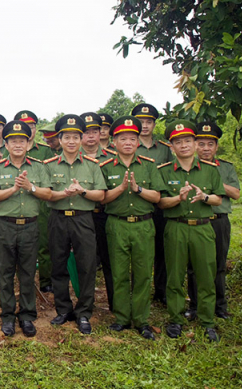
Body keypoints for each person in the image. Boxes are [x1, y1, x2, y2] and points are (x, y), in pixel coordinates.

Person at [158, 120, 225, 342]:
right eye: (178, 142)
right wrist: (179, 198)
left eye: (188, 141)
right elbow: (161, 203)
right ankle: (176, 319)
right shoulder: (164, 171)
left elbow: (218, 198)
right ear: (172, 147)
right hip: (176, 227)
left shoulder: (210, 170)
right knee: (175, 276)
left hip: (203, 228)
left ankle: (207, 321)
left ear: (195, 144)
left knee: (206, 275)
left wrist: (204, 197)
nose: (184, 145)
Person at [99, 116, 164, 339]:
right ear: (114, 142)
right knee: (118, 273)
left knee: (143, 273)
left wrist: (137, 190)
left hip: (144, 225)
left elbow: (157, 196)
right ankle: (121, 318)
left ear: (138, 142)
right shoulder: (105, 167)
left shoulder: (148, 166)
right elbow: (102, 198)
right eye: (122, 138)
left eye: (132, 138)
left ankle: (141, 319)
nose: (128, 142)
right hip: (116, 224)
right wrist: (121, 188)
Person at [0, 121, 52, 338]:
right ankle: (7, 316)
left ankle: (26, 316)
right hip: (5, 226)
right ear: (6, 144)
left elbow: (48, 194)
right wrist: (14, 189)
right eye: (13, 141)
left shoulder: (38, 167)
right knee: (5, 273)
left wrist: (30, 187)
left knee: (27, 272)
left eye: (22, 140)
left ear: (28, 143)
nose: (18, 144)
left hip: (29, 227)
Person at [44, 114, 106, 334]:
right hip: (58, 219)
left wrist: (83, 191)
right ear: (59, 140)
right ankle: (63, 310)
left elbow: (101, 195)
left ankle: (84, 312)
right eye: (66, 137)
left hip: (83, 219)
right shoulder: (49, 165)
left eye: (75, 137)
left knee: (87, 266)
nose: (71, 141)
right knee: (58, 264)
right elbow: (46, 194)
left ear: (81, 140)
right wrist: (63, 193)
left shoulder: (91, 165)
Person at [185, 121, 240, 321]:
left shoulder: (225, 168)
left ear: (216, 147)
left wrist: (213, 182)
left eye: (210, 144)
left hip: (218, 221)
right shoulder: (187, 166)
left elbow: (235, 193)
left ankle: (220, 305)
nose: (205, 148)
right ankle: (195, 305)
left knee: (219, 264)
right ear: (194, 145)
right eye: (201, 144)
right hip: (197, 220)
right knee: (193, 266)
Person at [131, 103, 174, 305]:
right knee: (137, 251)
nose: (145, 126)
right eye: (141, 122)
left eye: (149, 122)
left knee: (161, 249)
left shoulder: (165, 150)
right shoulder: (128, 145)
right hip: (136, 204)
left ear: (155, 124)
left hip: (160, 205)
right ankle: (137, 289)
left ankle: (161, 290)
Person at [13, 110, 55, 292]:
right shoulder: (11, 150)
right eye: (25, 127)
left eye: (31, 126)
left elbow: (49, 177)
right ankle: (21, 281)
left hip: (42, 204)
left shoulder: (45, 151)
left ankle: (46, 281)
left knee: (44, 245)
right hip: (18, 205)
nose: (29, 130)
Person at [80, 112, 116, 311]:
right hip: (82, 215)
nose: (92, 136)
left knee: (110, 261)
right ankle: (85, 305)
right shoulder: (72, 158)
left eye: (95, 131)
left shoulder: (112, 158)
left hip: (106, 214)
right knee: (85, 263)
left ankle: (114, 304)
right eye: (86, 132)